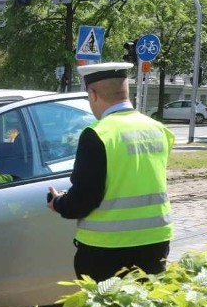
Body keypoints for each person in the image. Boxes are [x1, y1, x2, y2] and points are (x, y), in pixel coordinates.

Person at [46, 62, 174, 281]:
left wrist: (58, 203)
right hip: (155, 242)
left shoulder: (97, 134)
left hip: (107, 249)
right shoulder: (158, 129)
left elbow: (85, 198)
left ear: (93, 94)